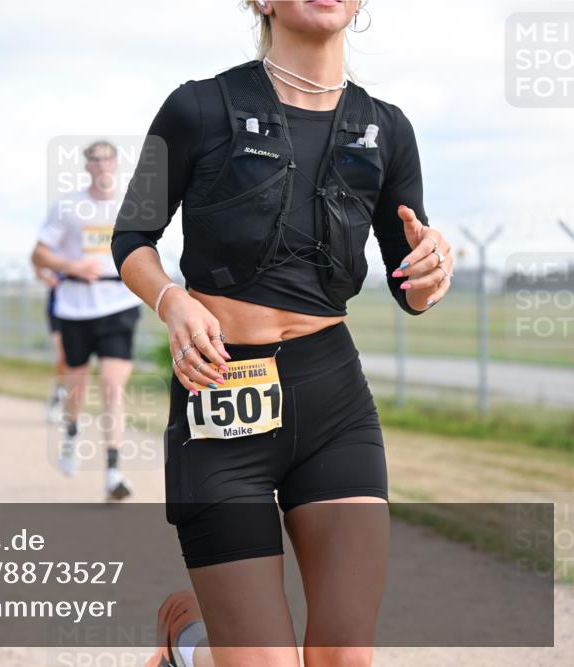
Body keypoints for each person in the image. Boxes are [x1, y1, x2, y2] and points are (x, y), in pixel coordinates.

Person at [112, 2, 455, 665]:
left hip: (332, 396)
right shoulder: (196, 108)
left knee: (344, 654)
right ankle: (191, 646)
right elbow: (132, 237)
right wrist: (171, 301)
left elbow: (408, 281)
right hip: (218, 389)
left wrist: (430, 269)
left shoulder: (388, 129)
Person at [31, 139, 141, 502]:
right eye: (94, 160)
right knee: (75, 388)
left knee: (112, 386)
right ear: (86, 166)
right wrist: (71, 266)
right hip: (76, 305)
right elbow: (39, 254)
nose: (102, 166)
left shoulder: (132, 204)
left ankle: (113, 471)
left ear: (116, 164)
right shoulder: (68, 207)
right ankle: (72, 432)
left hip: (118, 303)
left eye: (108, 159)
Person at [38, 270, 68, 424]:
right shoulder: (55, 248)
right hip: (58, 309)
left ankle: (69, 399)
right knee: (64, 355)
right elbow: (38, 266)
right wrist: (47, 277)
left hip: (86, 309)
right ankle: (58, 397)